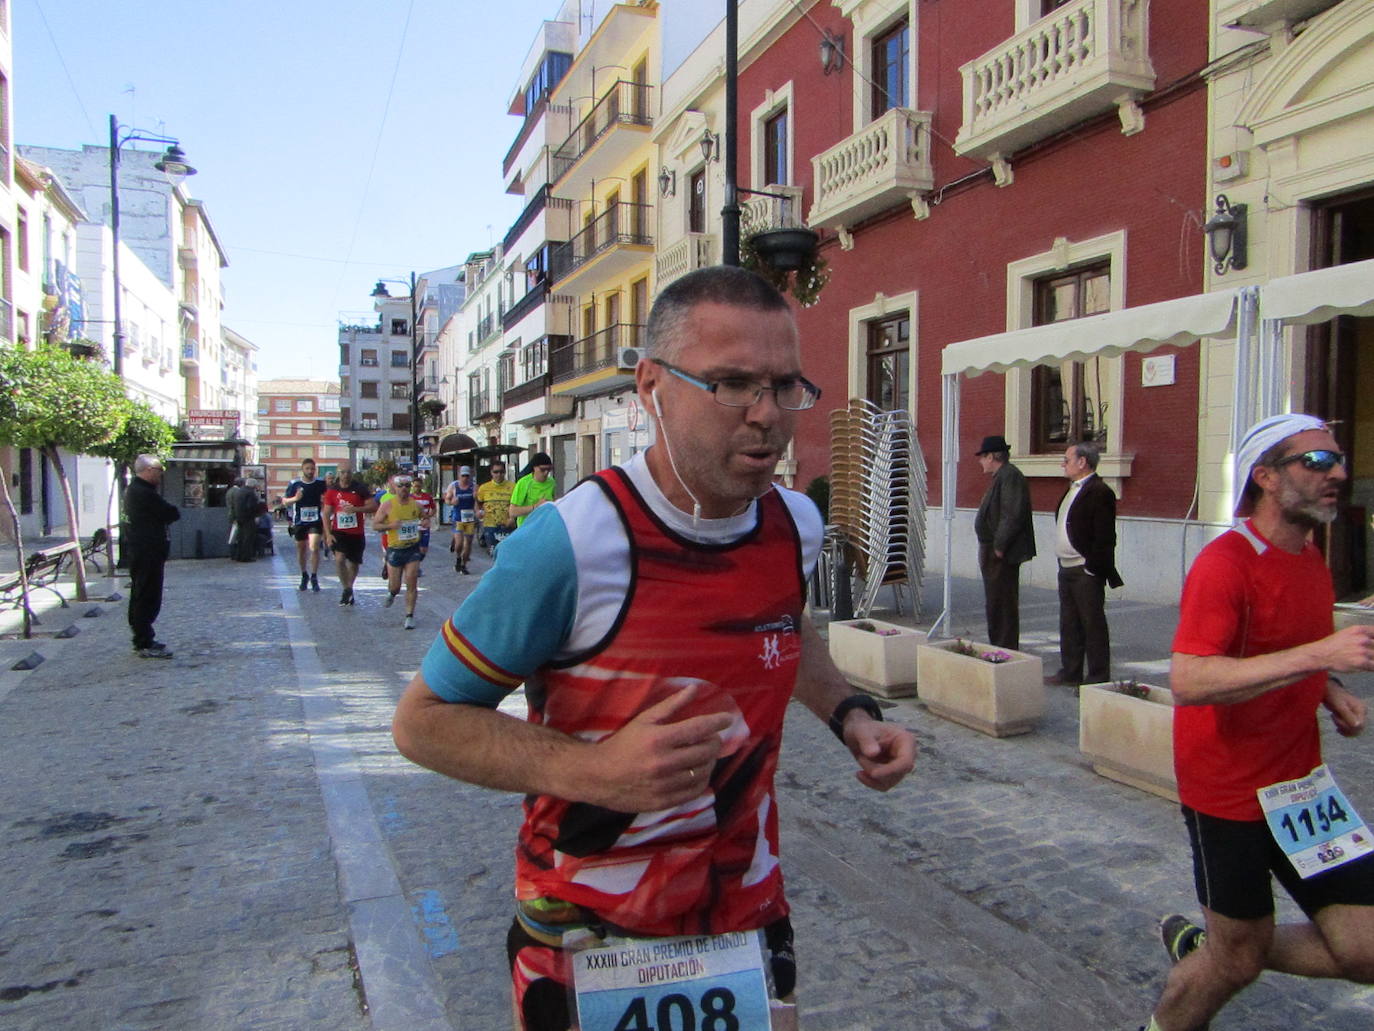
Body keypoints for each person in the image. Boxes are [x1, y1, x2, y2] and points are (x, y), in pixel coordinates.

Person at [391, 265, 916, 1031]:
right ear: (651, 385)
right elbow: (422, 720)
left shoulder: (794, 525)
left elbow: (783, 627)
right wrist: (592, 769)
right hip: (588, 931)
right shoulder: (571, 541)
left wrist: (852, 715)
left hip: (745, 917)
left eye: (784, 385)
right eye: (733, 383)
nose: (766, 415)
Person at [1142, 414, 1374, 1031]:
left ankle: (1217, 944)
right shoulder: (1226, 563)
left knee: (1367, 949)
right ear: (1266, 477)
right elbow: (1189, 680)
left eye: (1339, 460)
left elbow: (1285, 643)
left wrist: (1329, 689)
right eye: (1317, 463)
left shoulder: (1311, 558)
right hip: (1230, 792)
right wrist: (1322, 656)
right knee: (1234, 965)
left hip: (1303, 788)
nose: (1338, 475)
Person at [1046, 439, 1123, 686]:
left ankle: (1098, 676)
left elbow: (1105, 536)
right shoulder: (1072, 489)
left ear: (1082, 462)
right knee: (1069, 622)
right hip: (1066, 566)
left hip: (1084, 569)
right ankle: (1071, 671)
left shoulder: (1099, 492)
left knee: (1092, 623)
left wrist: (1092, 567)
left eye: (1067, 460)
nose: (1063, 465)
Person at [972, 434, 1035, 650]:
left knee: (1002, 603)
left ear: (992, 456)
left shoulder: (1010, 476)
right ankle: (998, 645)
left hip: (1001, 552)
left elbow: (1012, 514)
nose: (980, 461)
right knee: (995, 602)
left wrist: (999, 546)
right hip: (992, 549)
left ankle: (1004, 648)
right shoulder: (1002, 476)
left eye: (982, 456)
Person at [124, 454, 180, 659]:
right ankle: (143, 640)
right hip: (147, 550)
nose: (160, 475)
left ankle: (143, 636)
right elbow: (170, 512)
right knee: (146, 594)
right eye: (158, 470)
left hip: (145, 550)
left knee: (144, 593)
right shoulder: (143, 492)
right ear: (148, 471)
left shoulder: (136, 490)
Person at [373, 474, 425, 629]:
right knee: (395, 586)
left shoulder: (416, 505)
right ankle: (392, 593)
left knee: (411, 580)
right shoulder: (387, 505)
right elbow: (375, 525)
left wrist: (426, 522)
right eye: (401, 486)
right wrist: (390, 526)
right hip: (395, 549)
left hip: (412, 548)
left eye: (407, 486)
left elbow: (426, 517)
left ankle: (409, 616)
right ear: (395, 488)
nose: (404, 489)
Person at [322, 463, 375, 606]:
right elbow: (326, 514)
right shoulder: (332, 491)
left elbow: (373, 506)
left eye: (348, 472)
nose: (346, 475)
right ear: (339, 474)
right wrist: (327, 534)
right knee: (339, 559)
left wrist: (356, 509)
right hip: (339, 531)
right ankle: (346, 588)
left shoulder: (359, 488)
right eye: (343, 472)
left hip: (356, 532)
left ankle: (349, 588)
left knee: (354, 562)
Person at [282, 458, 327, 592]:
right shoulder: (295, 483)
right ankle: (304, 574)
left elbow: (327, 498)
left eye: (312, 469)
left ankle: (314, 575)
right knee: (301, 549)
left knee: (314, 547)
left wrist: (324, 503)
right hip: (300, 521)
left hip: (315, 520)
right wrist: (295, 499)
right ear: (302, 469)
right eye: (307, 468)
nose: (310, 471)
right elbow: (285, 501)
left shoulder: (320, 483)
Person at [508, 453, 556, 528]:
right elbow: (512, 512)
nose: (546, 473)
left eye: (549, 469)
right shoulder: (524, 483)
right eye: (542, 470)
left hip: (545, 527)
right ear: (534, 468)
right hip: (527, 528)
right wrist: (535, 507)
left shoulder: (551, 482)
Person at [476, 460, 514, 552]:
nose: (498, 475)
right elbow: (478, 503)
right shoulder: (484, 488)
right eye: (496, 472)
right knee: (494, 553)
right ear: (491, 473)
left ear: (505, 472)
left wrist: (512, 518)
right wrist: (478, 512)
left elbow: (516, 505)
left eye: (501, 472)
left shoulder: (513, 487)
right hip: (490, 526)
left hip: (507, 525)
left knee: (507, 553)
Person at [445, 466, 477, 574]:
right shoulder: (454, 486)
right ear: (459, 476)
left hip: (469, 519)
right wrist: (452, 502)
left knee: (468, 542)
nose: (465, 478)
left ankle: (464, 565)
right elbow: (447, 500)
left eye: (467, 476)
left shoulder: (474, 486)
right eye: (463, 476)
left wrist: (476, 500)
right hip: (458, 517)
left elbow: (478, 501)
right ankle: (458, 557)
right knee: (459, 543)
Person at [229, 477, 260, 563]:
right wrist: (255, 514)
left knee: (240, 537)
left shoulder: (240, 491)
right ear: (253, 485)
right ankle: (246, 557)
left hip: (239, 517)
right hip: (248, 518)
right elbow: (251, 506)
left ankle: (239, 556)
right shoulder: (250, 493)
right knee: (248, 538)